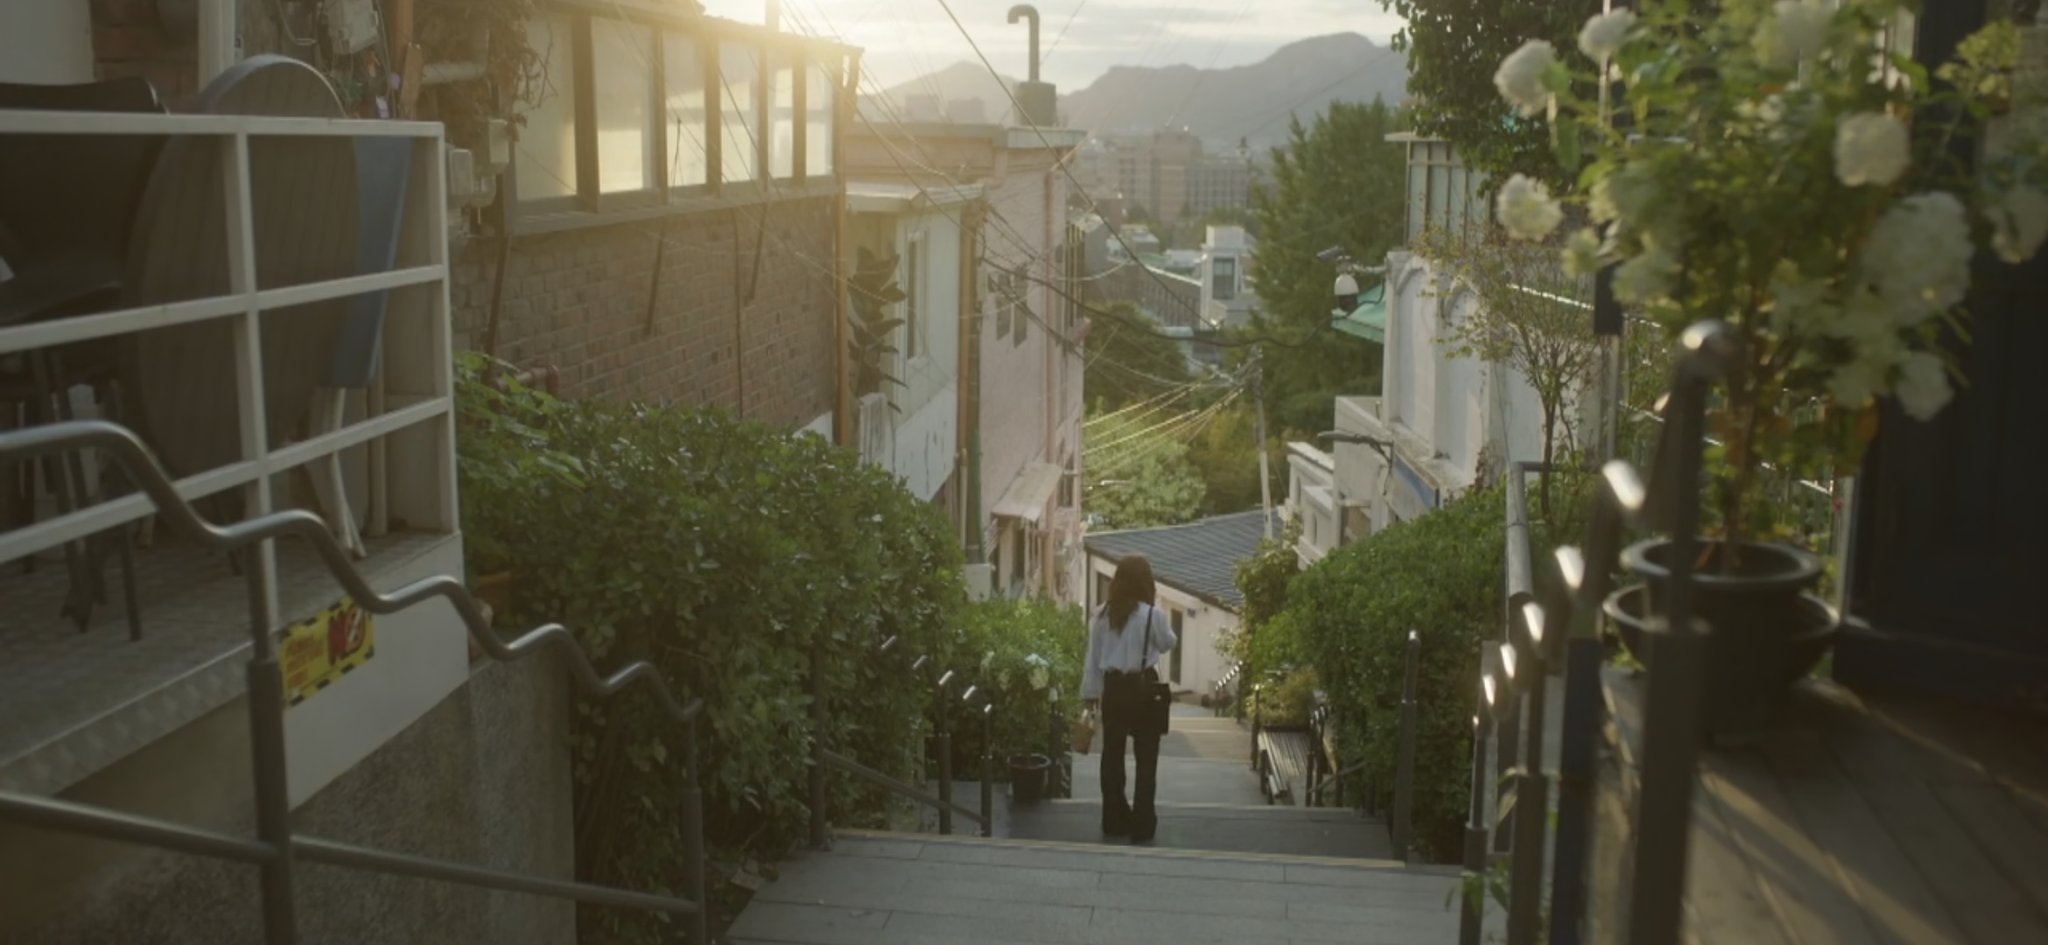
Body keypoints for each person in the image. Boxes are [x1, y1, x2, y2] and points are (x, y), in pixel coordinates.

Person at [1080, 554, 1177, 842]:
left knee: (1112, 755)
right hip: (1144, 689)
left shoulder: (1101, 615)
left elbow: (1093, 660)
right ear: (1146, 582)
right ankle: (1143, 822)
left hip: (1113, 690)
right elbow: (1168, 642)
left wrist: (1089, 697)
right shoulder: (1151, 615)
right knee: (1147, 758)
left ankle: (1114, 817)